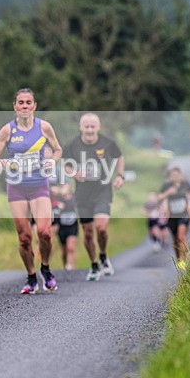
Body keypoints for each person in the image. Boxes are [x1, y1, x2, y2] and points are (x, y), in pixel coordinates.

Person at [0, 89, 63, 294]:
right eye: (21, 103)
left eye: (28, 103)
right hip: (17, 188)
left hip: (39, 185)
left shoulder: (44, 127)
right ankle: (31, 277)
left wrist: (51, 162)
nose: (25, 106)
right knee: (24, 237)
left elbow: (58, 150)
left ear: (34, 106)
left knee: (45, 233)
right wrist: (2, 163)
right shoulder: (7, 131)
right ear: (14, 106)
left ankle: (45, 269)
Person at [62, 113, 125, 281]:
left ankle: (103, 255)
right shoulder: (72, 145)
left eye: (92, 126)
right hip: (82, 195)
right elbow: (65, 165)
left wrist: (119, 176)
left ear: (98, 127)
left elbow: (119, 157)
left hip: (103, 191)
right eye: (86, 127)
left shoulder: (107, 143)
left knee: (101, 228)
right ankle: (94, 264)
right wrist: (75, 173)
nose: (89, 130)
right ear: (81, 128)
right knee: (88, 233)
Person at [158, 167, 190, 269]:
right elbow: (159, 197)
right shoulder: (166, 186)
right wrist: (168, 192)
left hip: (184, 214)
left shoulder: (185, 184)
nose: (175, 177)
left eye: (177, 175)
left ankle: (183, 260)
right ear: (170, 177)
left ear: (180, 175)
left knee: (181, 236)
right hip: (171, 215)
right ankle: (179, 258)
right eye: (173, 175)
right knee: (175, 239)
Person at [54, 181, 79, 271]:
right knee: (64, 251)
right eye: (63, 185)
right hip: (62, 226)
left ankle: (73, 267)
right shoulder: (58, 199)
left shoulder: (74, 197)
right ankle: (65, 266)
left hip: (72, 225)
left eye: (66, 185)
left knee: (71, 247)